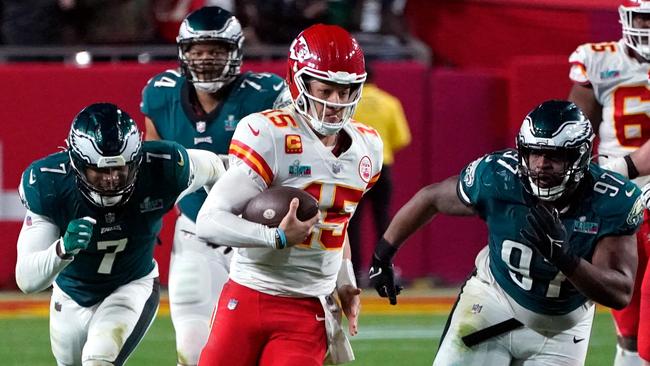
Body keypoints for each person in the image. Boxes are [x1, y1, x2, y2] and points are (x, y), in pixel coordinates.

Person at [369, 100, 642, 365]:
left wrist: (566, 259)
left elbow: (619, 293)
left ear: (579, 156)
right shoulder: (500, 177)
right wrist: (382, 256)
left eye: (554, 157)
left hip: (563, 330)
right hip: (492, 304)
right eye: (534, 152)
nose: (541, 165)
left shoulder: (610, 199)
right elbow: (431, 198)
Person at [195, 24, 383, 365]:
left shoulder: (368, 147)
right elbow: (209, 221)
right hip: (249, 292)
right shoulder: (270, 134)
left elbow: (337, 225)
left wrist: (345, 282)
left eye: (346, 92)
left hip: (308, 306)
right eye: (326, 90)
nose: (336, 104)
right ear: (299, 83)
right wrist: (277, 236)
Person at [14, 103, 225, 366]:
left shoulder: (164, 167)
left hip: (130, 285)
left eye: (120, 169)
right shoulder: (49, 184)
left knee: (98, 359)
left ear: (136, 160)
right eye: (100, 171)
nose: (112, 179)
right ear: (78, 164)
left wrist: (222, 219)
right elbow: (26, 279)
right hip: (71, 294)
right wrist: (62, 250)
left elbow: (216, 167)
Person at [140, 6, 290, 365]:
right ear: (183, 53)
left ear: (236, 52)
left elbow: (288, 169)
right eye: (197, 50)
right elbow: (152, 167)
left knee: (267, 349)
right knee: (192, 350)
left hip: (259, 239)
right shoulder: (161, 94)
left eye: (216, 50)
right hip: (197, 236)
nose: (205, 58)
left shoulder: (265, 94)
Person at [568, 2, 650, 364]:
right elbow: (575, 130)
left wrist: (617, 169)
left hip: (628, 181)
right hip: (622, 201)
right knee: (628, 330)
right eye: (645, 17)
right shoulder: (599, 60)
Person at [348, 63, 411, 285]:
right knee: (383, 220)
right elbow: (402, 138)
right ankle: (384, 269)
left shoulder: (350, 102)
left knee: (351, 223)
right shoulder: (390, 102)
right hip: (382, 166)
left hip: (354, 168)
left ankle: (353, 272)